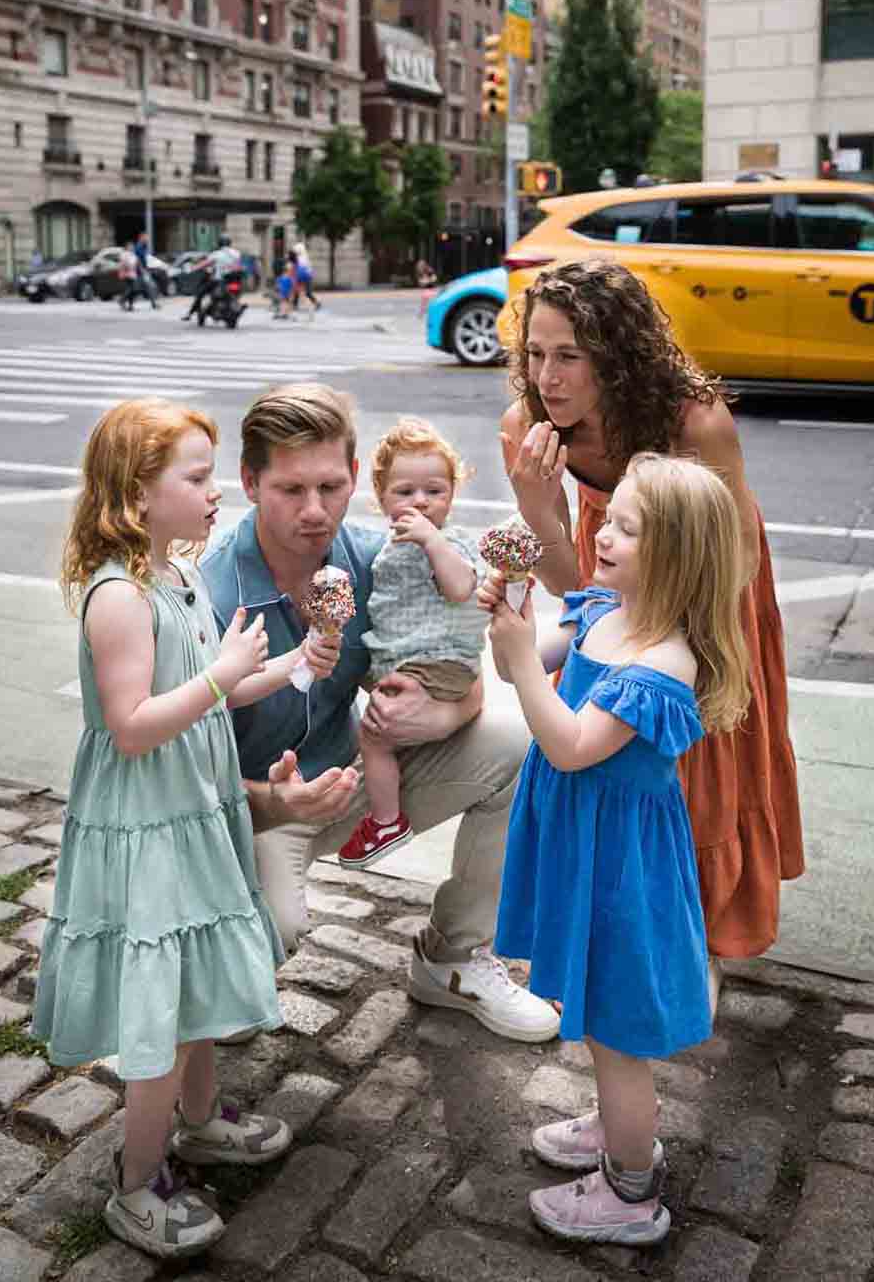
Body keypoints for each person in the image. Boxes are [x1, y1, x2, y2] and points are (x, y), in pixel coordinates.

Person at [32, 398, 342, 1259]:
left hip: (194, 809)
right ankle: (137, 1184)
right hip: (147, 822)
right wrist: (223, 677)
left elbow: (212, 682)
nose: (215, 494)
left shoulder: (176, 575)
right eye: (197, 477)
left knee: (196, 977)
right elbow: (133, 723)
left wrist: (284, 664)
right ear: (137, 492)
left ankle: (200, 1121)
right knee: (160, 1008)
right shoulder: (119, 596)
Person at [202, 383, 560, 1043]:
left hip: (353, 778)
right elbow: (180, 782)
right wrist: (276, 803)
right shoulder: (213, 594)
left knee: (518, 741)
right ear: (250, 482)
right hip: (245, 812)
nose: (316, 511)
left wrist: (448, 716)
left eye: (331, 487)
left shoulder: (375, 558)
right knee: (260, 960)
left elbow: (451, 662)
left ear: (355, 478)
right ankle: (222, 959)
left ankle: (452, 959)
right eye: (290, 490)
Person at [499, 259, 804, 1000]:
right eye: (536, 354)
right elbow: (578, 594)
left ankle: (698, 931)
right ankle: (626, 921)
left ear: (618, 352)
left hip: (706, 571)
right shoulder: (528, 426)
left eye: (571, 355)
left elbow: (730, 564)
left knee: (704, 750)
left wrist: (660, 633)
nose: (548, 377)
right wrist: (539, 509)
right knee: (619, 747)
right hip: (611, 557)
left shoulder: (694, 421)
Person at [483, 452, 750, 1248]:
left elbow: (567, 743)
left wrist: (526, 661)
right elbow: (522, 666)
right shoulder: (606, 612)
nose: (604, 535)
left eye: (628, 528)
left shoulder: (663, 663)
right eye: (612, 516)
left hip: (620, 867)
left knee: (616, 1030)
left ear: (674, 556)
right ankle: (613, 1126)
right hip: (586, 845)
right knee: (600, 1013)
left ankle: (632, 1191)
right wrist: (514, 619)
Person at [338, 418, 485, 869]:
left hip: (438, 659)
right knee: (378, 714)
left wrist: (433, 542)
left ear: (452, 495)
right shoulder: (385, 545)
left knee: (374, 735)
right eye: (405, 492)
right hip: (408, 656)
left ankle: (386, 821)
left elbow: (462, 588)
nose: (420, 501)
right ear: (381, 496)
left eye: (434, 491)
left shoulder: (452, 543)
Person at [133, 230, 160, 309]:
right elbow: (138, 259)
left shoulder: (143, 246)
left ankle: (154, 304)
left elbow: (146, 258)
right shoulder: (138, 247)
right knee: (149, 286)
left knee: (149, 287)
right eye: (145, 237)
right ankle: (123, 300)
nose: (147, 239)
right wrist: (142, 269)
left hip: (143, 271)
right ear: (141, 237)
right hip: (141, 271)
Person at [291, 240, 320, 312]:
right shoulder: (302, 257)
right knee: (297, 290)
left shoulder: (302, 258)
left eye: (296, 250)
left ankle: (316, 303)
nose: (295, 252)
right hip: (303, 276)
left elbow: (301, 268)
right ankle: (295, 304)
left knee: (307, 292)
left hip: (305, 276)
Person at [117, 242, 140, 312]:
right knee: (131, 289)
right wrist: (129, 265)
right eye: (130, 246)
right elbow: (123, 264)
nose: (132, 248)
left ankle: (130, 305)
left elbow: (136, 264)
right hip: (126, 274)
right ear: (127, 247)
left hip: (133, 274)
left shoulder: (133, 255)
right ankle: (122, 300)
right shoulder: (124, 254)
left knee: (133, 290)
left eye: (132, 246)